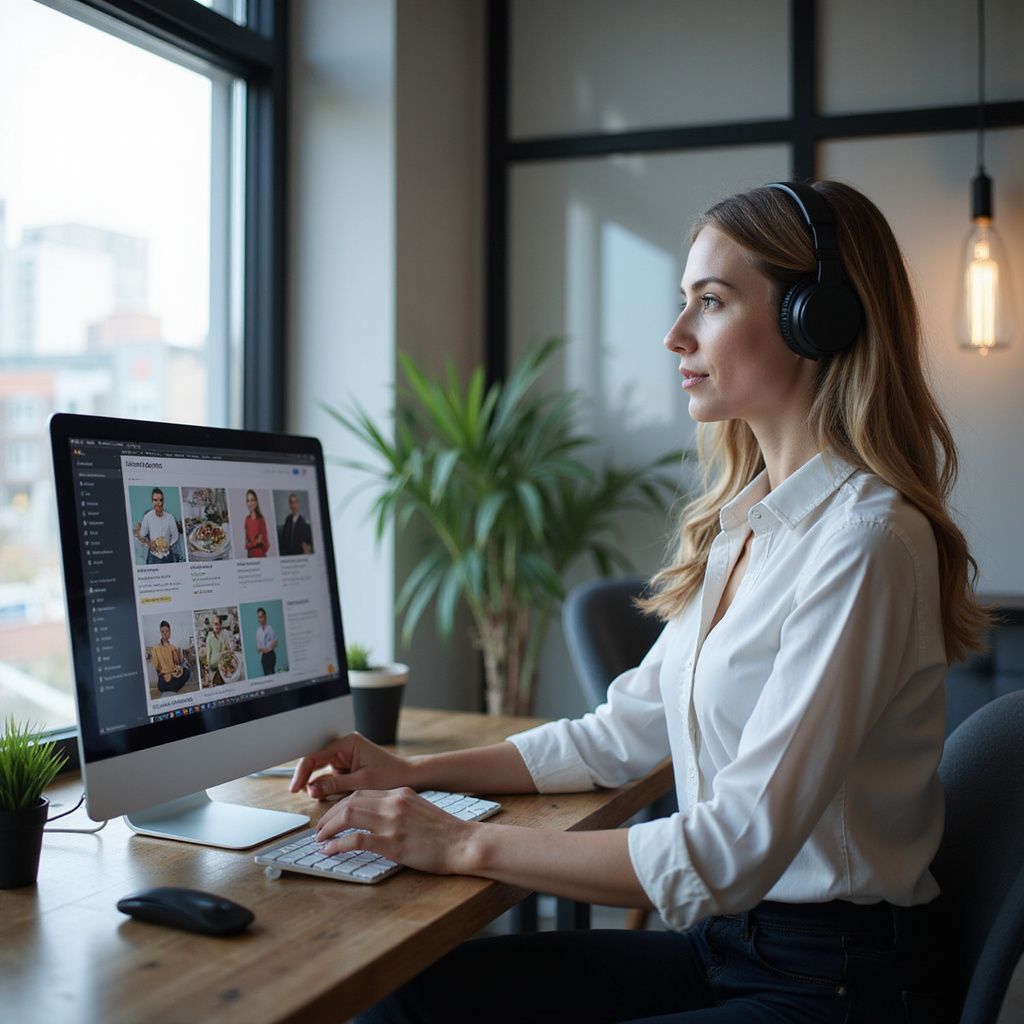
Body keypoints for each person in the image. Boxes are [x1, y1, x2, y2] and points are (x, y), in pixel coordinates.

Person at [290, 181, 987, 1024]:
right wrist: (416, 773)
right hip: (728, 947)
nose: (675, 334)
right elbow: (617, 736)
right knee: (411, 1004)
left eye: (712, 301)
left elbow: (732, 849)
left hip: (837, 984)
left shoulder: (865, 542)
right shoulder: (747, 528)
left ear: (819, 320)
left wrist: (462, 842)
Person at [134, 487, 179, 565]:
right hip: (152, 556)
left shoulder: (170, 517)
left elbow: (175, 536)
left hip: (167, 556)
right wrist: (149, 544)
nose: (158, 503)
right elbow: (142, 534)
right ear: (152, 501)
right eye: (155, 500)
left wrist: (169, 545)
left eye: (160, 500)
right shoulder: (147, 517)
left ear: (163, 501)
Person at [150, 620, 190, 694]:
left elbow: (176, 664)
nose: (165, 633)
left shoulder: (173, 647)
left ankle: (171, 687)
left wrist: (173, 672)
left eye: (167, 631)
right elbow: (157, 667)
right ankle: (171, 687)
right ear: (160, 632)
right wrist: (167, 674)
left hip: (171, 678)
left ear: (170, 632)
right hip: (165, 680)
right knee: (187, 671)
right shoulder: (155, 648)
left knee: (186, 671)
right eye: (162, 631)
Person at [203, 616, 231, 686]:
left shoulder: (223, 635)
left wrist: (227, 650)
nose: (217, 626)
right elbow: (208, 653)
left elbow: (227, 648)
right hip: (214, 666)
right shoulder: (209, 638)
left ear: (221, 625)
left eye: (218, 624)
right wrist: (209, 667)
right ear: (212, 625)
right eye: (215, 624)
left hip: (223, 666)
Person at [244, 489, 270, 557]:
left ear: (256, 502)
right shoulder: (247, 520)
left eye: (252, 500)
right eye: (248, 501)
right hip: (250, 557)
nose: (250, 503)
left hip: (261, 556)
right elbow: (246, 545)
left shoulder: (261, 519)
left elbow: (266, 545)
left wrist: (252, 544)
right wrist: (256, 542)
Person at [254, 606, 278, 676]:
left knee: (272, 674)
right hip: (264, 657)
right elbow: (258, 649)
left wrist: (266, 648)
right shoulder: (258, 631)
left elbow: (275, 643)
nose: (260, 619)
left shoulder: (270, 629)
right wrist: (267, 647)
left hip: (271, 655)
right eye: (258, 617)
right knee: (266, 675)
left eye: (261, 617)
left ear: (265, 616)